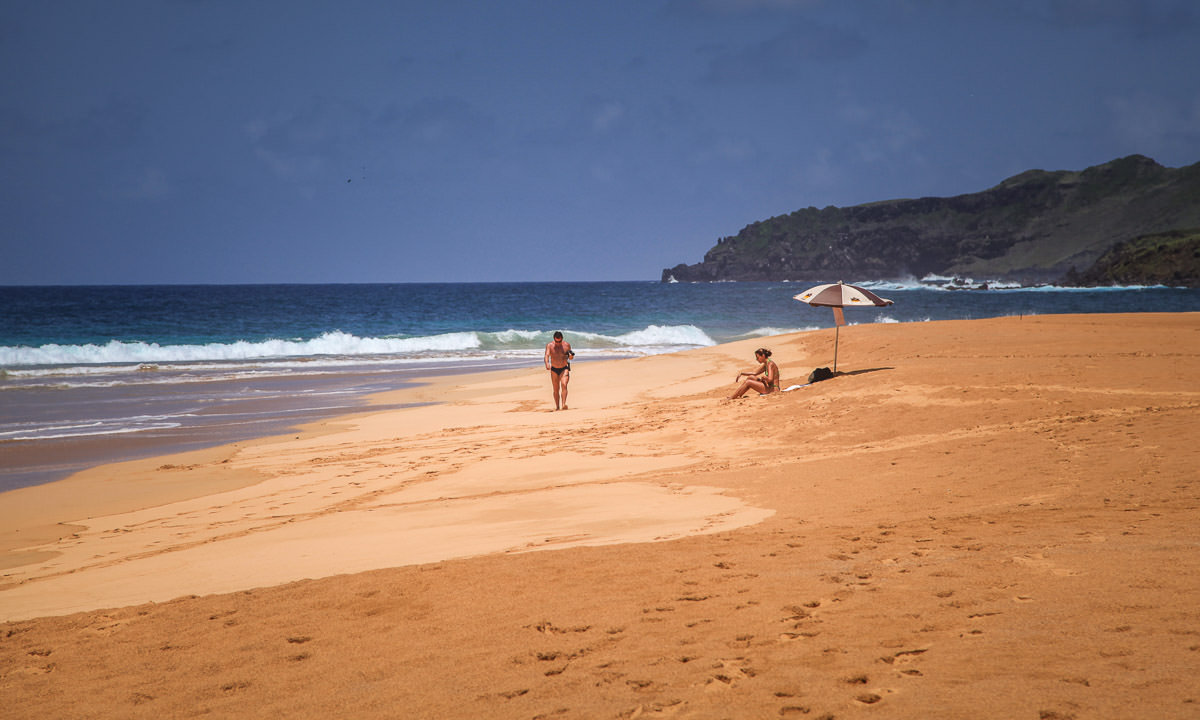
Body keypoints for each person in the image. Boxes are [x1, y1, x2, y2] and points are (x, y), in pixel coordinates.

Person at [544, 331, 574, 410]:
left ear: (562, 339)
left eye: (559, 341)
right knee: (556, 389)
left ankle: (564, 404)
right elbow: (547, 355)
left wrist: (571, 357)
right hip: (554, 369)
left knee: (564, 384)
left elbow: (570, 357)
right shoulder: (550, 346)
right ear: (554, 339)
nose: (558, 343)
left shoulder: (566, 345)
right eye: (556, 341)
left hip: (564, 368)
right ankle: (557, 407)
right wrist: (547, 363)